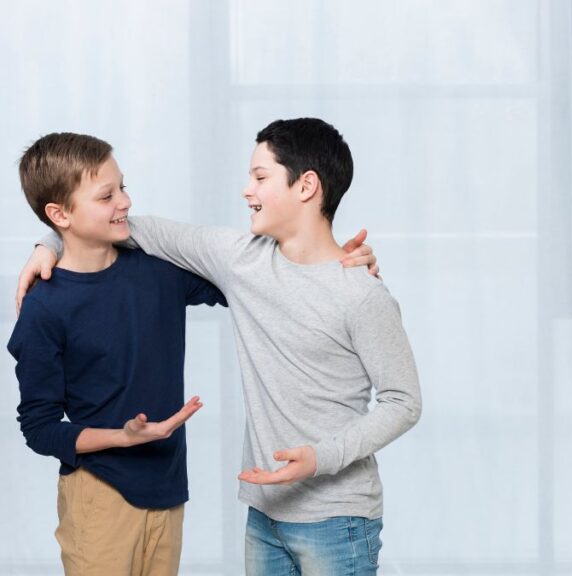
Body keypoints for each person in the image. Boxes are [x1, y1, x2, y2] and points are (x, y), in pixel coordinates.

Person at [18, 118, 421, 575]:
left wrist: (319, 457)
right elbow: (107, 228)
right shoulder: (239, 260)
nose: (246, 190)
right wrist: (46, 243)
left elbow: (403, 401)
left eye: (260, 177)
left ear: (306, 186)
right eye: (109, 195)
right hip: (248, 510)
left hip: (321, 512)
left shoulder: (350, 290)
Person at [9, 132, 224, 575]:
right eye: (107, 195)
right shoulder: (44, 308)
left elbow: (250, 279)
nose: (124, 202)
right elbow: (40, 428)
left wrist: (335, 261)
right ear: (59, 214)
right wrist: (121, 438)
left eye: (123, 187)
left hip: (168, 492)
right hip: (99, 496)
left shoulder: (162, 273)